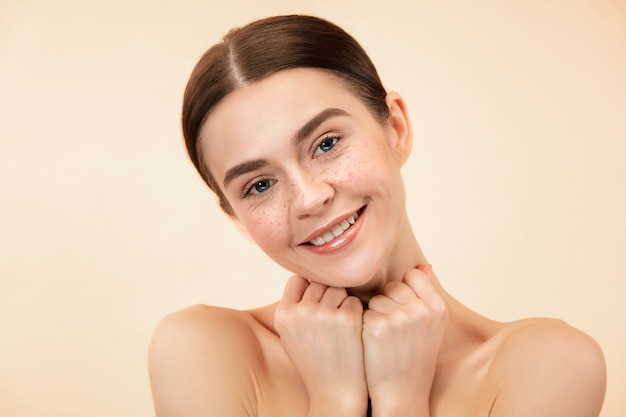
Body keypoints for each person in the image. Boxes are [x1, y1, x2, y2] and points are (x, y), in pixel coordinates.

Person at [148, 15, 606, 417]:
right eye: (260, 186)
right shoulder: (205, 351)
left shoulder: (547, 366)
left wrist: (401, 399)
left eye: (326, 144)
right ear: (236, 219)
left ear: (397, 129)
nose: (309, 198)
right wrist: (335, 399)